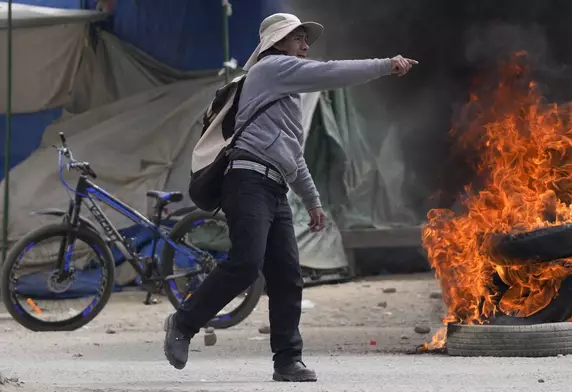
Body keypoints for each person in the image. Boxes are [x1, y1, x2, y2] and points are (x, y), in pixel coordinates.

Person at [163, 12, 417, 382]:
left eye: (306, 40)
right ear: (276, 43)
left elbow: (292, 154)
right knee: (246, 264)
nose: (305, 45)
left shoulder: (285, 92)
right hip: (247, 180)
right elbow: (330, 73)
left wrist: (312, 201)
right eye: (298, 38)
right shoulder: (270, 70)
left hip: (275, 187)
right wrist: (384, 65)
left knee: (287, 276)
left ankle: (287, 360)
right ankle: (183, 323)